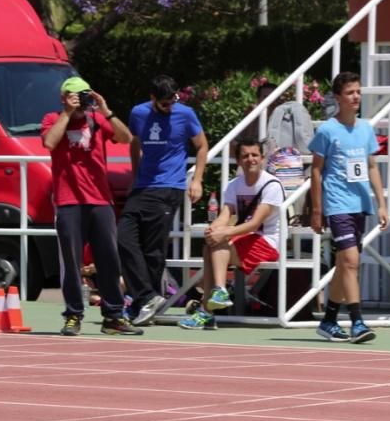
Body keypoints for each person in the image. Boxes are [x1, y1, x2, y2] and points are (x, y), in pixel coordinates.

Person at [41, 77, 143, 336]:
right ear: (64, 97)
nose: (81, 100)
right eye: (76, 95)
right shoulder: (53, 119)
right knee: (72, 261)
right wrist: (67, 113)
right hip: (68, 201)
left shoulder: (97, 120)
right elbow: (49, 143)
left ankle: (113, 316)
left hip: (100, 200)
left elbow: (125, 137)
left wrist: (106, 111)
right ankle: (73, 314)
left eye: (84, 95)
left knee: (109, 259)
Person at [118, 75, 209, 326]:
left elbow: (201, 146)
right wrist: (134, 176)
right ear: (152, 99)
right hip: (143, 186)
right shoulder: (138, 113)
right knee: (123, 238)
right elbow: (135, 142)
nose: (169, 108)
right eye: (164, 104)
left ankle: (144, 302)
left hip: (169, 187)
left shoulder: (185, 114)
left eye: (173, 101)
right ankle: (146, 297)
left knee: (153, 249)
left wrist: (197, 179)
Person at [309, 71, 388, 343]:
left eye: (358, 91)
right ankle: (357, 321)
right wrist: (316, 210)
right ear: (339, 97)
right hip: (337, 203)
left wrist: (382, 204)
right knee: (352, 262)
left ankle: (329, 319)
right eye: (350, 92)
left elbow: (372, 166)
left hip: (360, 203)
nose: (356, 97)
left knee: (345, 263)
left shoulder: (365, 128)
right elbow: (316, 171)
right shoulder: (327, 131)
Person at [179, 137, 283, 330]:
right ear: (238, 161)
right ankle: (210, 306)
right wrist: (214, 229)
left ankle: (213, 301)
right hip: (243, 239)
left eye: (254, 155)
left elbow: (254, 224)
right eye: (245, 156)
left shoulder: (272, 185)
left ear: (262, 159)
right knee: (211, 242)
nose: (250, 159)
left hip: (267, 242)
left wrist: (224, 233)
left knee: (219, 242)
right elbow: (225, 214)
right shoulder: (234, 184)